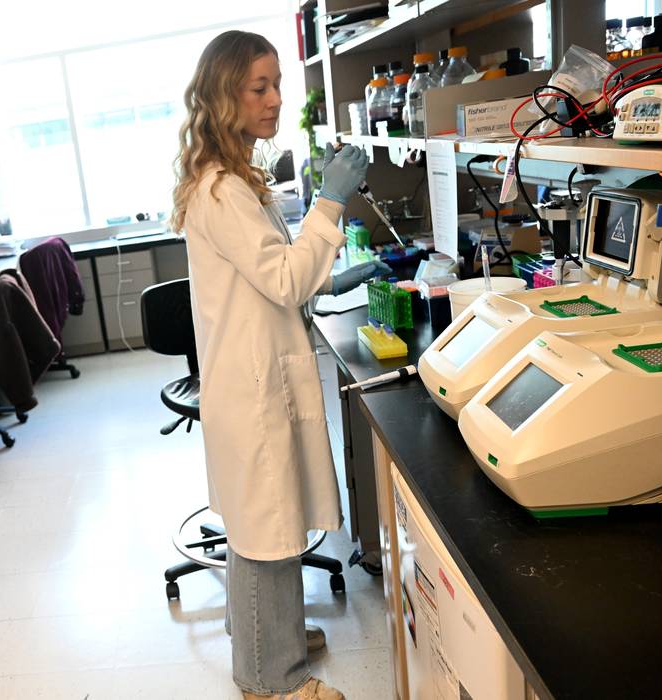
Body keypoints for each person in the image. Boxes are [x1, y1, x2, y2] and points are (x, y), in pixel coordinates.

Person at [172, 31, 384, 700]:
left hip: (257, 368)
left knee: (264, 521)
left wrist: (333, 280)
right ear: (222, 95)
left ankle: (275, 634)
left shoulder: (233, 179)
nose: (273, 100)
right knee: (265, 530)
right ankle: (272, 678)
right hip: (250, 382)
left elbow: (269, 277)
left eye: (275, 85)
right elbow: (281, 281)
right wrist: (330, 204)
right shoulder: (219, 190)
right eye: (257, 87)